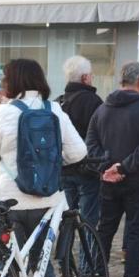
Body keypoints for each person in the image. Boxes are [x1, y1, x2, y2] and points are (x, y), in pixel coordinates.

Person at [0, 58, 86, 277]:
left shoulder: (4, 112)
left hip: (6, 201)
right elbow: (78, 153)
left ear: (12, 82)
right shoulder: (55, 110)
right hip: (45, 201)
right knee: (41, 260)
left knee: (6, 262)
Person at [86, 61, 139, 277]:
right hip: (136, 178)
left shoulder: (102, 109)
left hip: (108, 179)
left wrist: (108, 165)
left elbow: (91, 145)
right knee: (137, 230)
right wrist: (124, 166)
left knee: (105, 229)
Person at [57, 55, 103, 229]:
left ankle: (65, 255)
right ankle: (87, 256)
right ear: (85, 77)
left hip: (63, 168)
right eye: (90, 75)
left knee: (66, 218)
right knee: (88, 221)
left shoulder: (58, 101)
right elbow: (101, 134)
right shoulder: (93, 101)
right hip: (87, 168)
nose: (92, 78)